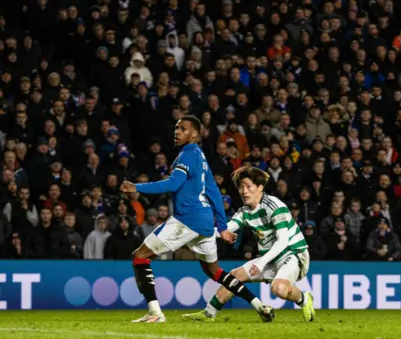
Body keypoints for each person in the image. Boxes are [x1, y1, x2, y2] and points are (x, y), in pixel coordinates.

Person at [120, 116, 271, 323]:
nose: (177, 132)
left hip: (187, 220)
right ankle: (259, 305)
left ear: (195, 134)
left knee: (139, 256)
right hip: (205, 222)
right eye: (176, 128)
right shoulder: (200, 157)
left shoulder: (186, 156)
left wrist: (136, 187)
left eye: (183, 129)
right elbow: (214, 192)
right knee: (215, 271)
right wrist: (222, 227)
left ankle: (155, 313)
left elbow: (172, 184)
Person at [182, 166, 315, 322]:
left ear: (260, 188)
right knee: (235, 275)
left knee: (278, 289)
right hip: (271, 256)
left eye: (248, 186)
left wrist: (261, 263)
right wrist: (198, 232)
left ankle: (304, 299)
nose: (244, 191)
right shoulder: (245, 211)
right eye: (241, 187)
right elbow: (228, 228)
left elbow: (283, 241)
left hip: (292, 253)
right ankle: (209, 313)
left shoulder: (274, 206)